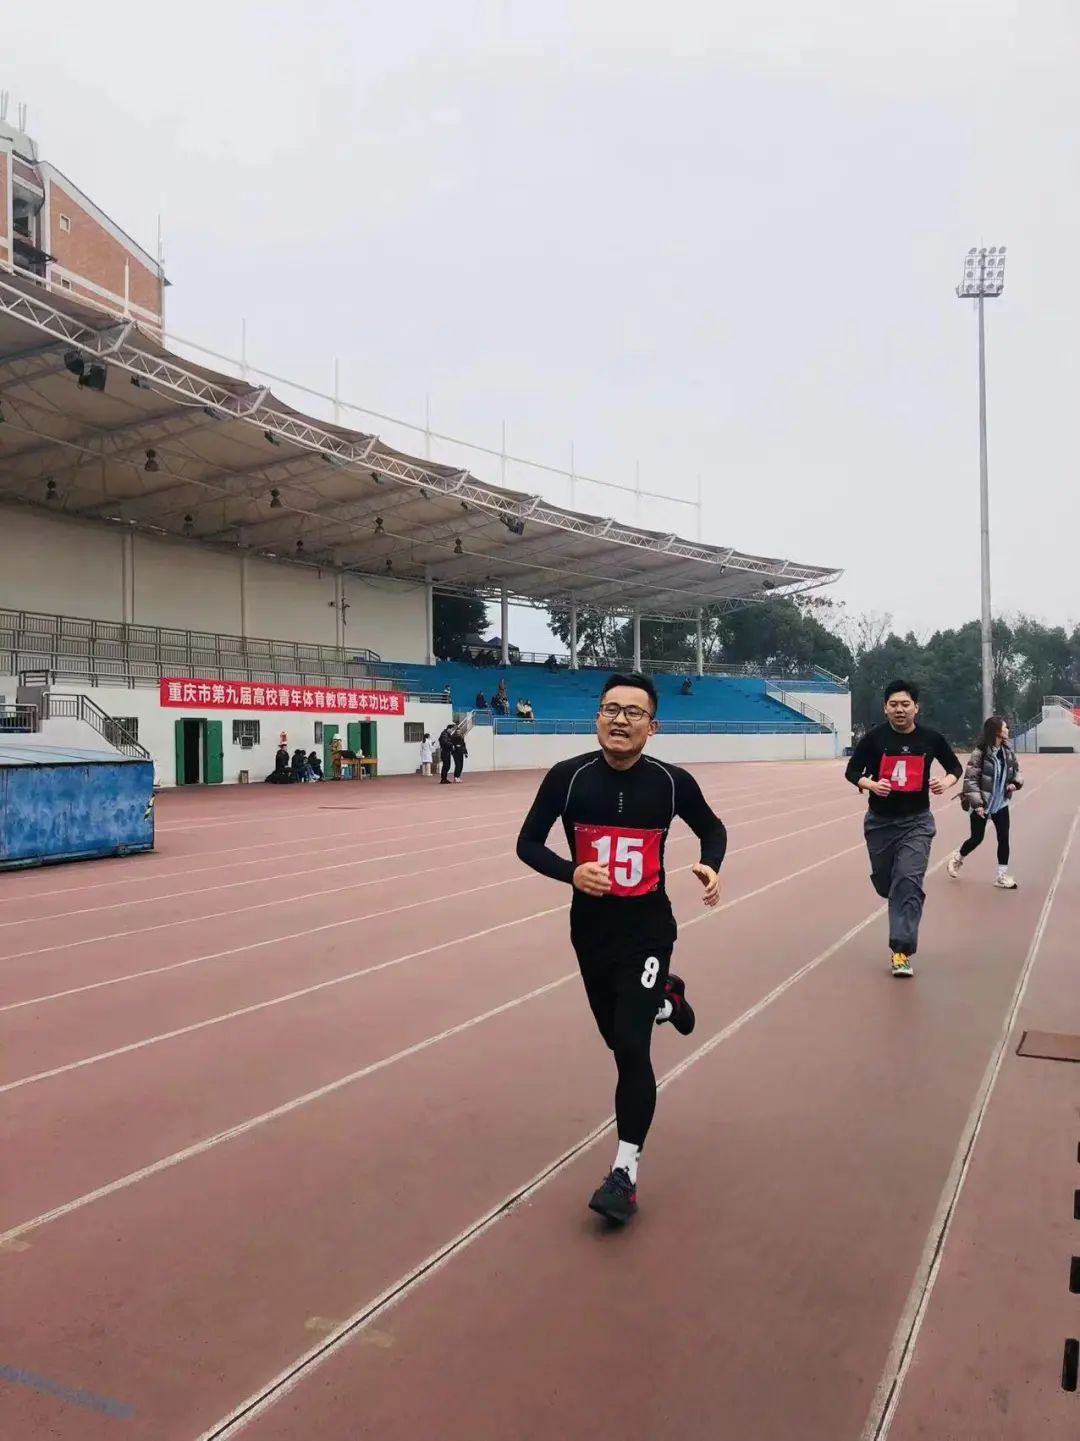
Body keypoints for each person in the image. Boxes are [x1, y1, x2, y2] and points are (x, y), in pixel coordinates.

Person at [516, 672, 727, 1225]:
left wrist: (711, 865)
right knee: (616, 1037)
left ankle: (624, 1173)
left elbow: (713, 829)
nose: (620, 720)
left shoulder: (672, 783)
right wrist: (570, 872)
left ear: (652, 727)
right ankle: (667, 1001)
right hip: (591, 933)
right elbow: (527, 843)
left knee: (632, 1048)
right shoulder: (567, 778)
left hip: (648, 930)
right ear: (597, 717)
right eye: (611, 709)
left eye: (634, 713)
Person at [844, 679, 963, 978]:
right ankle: (893, 889)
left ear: (916, 708)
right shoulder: (874, 739)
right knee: (888, 883)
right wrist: (871, 784)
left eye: (905, 704)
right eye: (894, 704)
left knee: (908, 882)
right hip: (879, 823)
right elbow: (852, 771)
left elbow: (955, 768)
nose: (900, 710)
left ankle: (901, 950)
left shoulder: (931, 738)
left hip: (917, 822)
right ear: (885, 708)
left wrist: (945, 782)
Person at [947, 716, 1022, 888]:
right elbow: (970, 781)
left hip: (1000, 802)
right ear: (996, 731)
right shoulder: (979, 753)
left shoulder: (1007, 751)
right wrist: (978, 805)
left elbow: (1017, 770)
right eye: (1005, 727)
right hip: (982, 802)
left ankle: (1001, 877)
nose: (1007, 730)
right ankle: (957, 858)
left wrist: (1015, 783)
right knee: (977, 838)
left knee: (1003, 837)